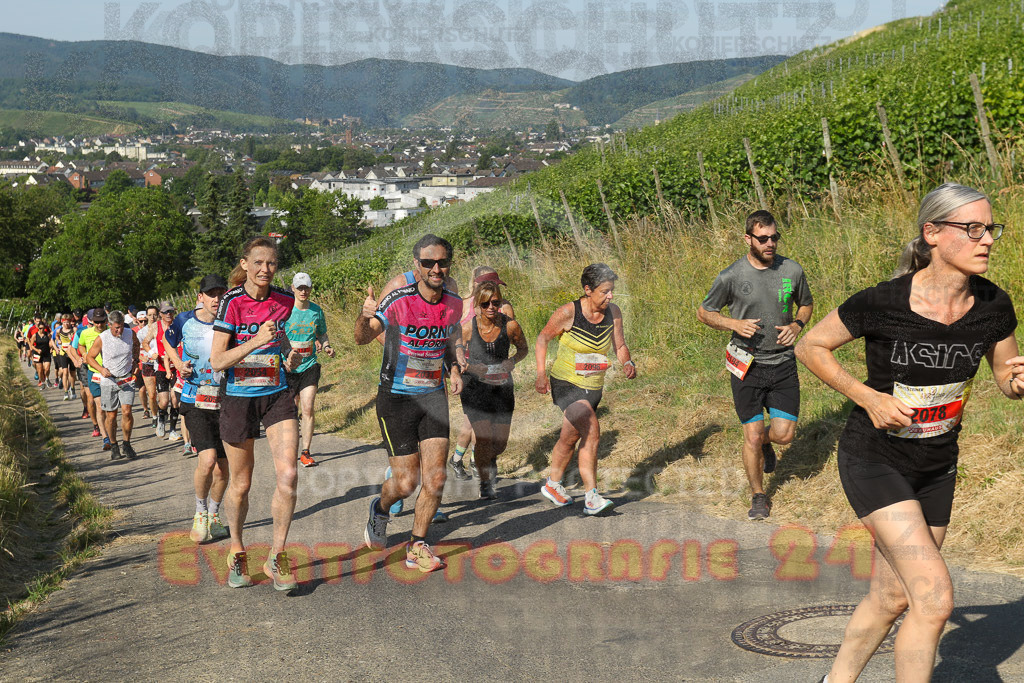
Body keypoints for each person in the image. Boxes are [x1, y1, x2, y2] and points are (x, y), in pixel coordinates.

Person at [796, 184, 1021, 683]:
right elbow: (811, 346)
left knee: (892, 595)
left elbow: (1007, 377)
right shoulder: (884, 302)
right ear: (933, 233)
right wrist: (869, 397)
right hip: (875, 459)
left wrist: (1016, 381)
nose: (987, 240)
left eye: (991, 229)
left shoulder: (994, 305)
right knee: (935, 598)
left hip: (937, 467)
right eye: (974, 229)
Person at [355, 233, 463, 572]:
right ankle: (381, 509)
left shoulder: (454, 302)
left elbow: (449, 340)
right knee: (406, 482)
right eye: (428, 262)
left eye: (441, 262)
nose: (435, 268)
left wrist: (455, 367)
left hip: (433, 396)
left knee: (435, 477)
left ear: (448, 265)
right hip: (396, 398)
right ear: (416, 266)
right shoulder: (399, 300)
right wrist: (364, 315)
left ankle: (417, 545)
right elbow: (361, 338)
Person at [697, 210, 813, 520]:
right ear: (748, 238)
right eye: (763, 238)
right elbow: (705, 312)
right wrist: (733, 324)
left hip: (783, 363)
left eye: (774, 237)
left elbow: (806, 303)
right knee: (750, 433)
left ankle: (765, 443)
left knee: (785, 434)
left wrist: (798, 325)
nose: (770, 243)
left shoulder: (792, 270)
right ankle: (758, 496)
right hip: (746, 365)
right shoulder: (731, 276)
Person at [211, 236, 301, 590]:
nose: (266, 270)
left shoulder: (285, 300)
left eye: (272, 264)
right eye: (259, 263)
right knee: (242, 483)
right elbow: (218, 360)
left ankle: (277, 555)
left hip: (277, 394)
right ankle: (236, 549)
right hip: (237, 396)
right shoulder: (231, 302)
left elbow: (278, 339)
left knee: (289, 475)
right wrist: (255, 341)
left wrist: (289, 353)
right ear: (245, 264)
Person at [535, 263, 636, 515]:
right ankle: (592, 497)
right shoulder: (569, 312)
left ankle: (553, 484)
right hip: (566, 383)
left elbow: (620, 345)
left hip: (594, 386)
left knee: (569, 437)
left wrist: (627, 362)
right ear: (588, 290)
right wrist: (540, 373)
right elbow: (543, 338)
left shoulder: (614, 313)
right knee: (591, 429)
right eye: (605, 291)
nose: (610, 296)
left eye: (612, 290)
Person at [163, 274, 231, 543]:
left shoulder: (230, 320)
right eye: (210, 294)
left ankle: (214, 515)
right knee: (208, 460)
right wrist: (178, 364)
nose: (216, 299)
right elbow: (167, 342)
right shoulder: (183, 320)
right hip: (194, 399)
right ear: (200, 297)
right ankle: (199, 512)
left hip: (226, 400)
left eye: (220, 294)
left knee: (224, 469)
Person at [459, 279, 527, 499]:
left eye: (495, 303)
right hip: (475, 389)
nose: (491, 308)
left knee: (499, 444)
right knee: (485, 438)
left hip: (502, 389)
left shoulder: (511, 326)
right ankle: (485, 483)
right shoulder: (468, 328)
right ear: (478, 305)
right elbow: (454, 354)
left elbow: (523, 349)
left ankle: (486, 458)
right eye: (486, 304)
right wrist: (469, 367)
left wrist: (513, 361)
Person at [450, 267, 517, 481]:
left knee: (476, 424)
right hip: (470, 371)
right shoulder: (461, 305)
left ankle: (466, 459)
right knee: (474, 422)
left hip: (495, 373)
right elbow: (453, 336)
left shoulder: (503, 306)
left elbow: (508, 332)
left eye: (497, 285)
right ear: (477, 284)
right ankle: (468, 461)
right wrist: (458, 365)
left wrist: (509, 361)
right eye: (491, 284)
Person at [284, 272, 335, 468]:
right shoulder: (286, 310)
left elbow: (322, 333)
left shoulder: (316, 311)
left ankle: (305, 452)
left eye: (306, 288)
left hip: (309, 365)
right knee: (291, 410)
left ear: (311, 288)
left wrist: (327, 345)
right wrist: (285, 358)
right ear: (293, 288)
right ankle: (289, 449)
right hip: (289, 367)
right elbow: (279, 336)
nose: (303, 291)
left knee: (307, 407)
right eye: (299, 288)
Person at [85, 310, 140, 460]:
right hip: (109, 380)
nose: (119, 330)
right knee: (111, 415)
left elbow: (136, 344)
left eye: (121, 326)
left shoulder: (130, 333)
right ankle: (114, 445)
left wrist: (136, 360)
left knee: (127, 411)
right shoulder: (102, 338)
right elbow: (89, 357)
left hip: (126, 378)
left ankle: (127, 444)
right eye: (116, 327)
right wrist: (101, 369)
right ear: (109, 325)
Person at [143, 302, 181, 440]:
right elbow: (145, 342)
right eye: (165, 312)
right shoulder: (155, 327)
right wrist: (152, 352)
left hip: (176, 367)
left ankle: (173, 430)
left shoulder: (179, 325)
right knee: (164, 401)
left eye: (171, 311)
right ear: (161, 314)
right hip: (160, 368)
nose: (169, 314)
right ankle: (161, 419)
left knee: (175, 400)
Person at [51, 314, 77, 400]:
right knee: (65, 372)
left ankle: (72, 389)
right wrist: (57, 344)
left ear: (70, 322)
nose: (66, 324)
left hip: (72, 353)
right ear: (62, 322)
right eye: (64, 322)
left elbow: (78, 341)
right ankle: (66, 392)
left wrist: (72, 338)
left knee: (72, 373)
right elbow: (53, 338)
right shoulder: (59, 330)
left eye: (67, 322)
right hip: (63, 353)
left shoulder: (74, 330)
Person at [28, 314, 53, 388]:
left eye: (43, 328)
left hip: (46, 351)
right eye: (37, 321)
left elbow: (51, 337)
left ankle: (46, 379)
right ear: (35, 321)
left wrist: (52, 347)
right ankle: (42, 381)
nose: (42, 329)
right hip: (36, 351)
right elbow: (28, 339)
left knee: (47, 368)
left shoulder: (46, 329)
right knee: (39, 369)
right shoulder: (32, 330)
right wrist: (33, 349)